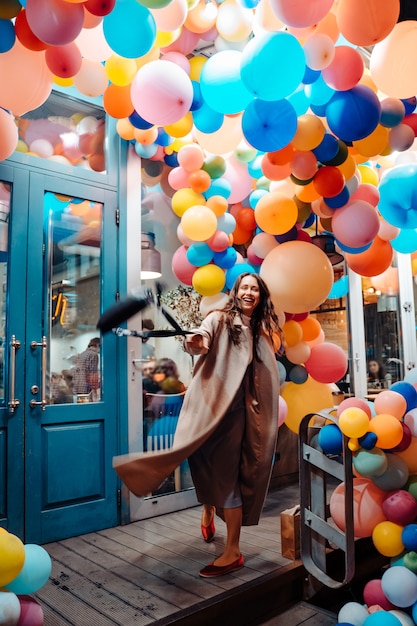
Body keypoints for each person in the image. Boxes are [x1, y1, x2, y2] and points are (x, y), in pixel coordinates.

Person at [113, 273, 282, 578]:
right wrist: (197, 341)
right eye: (244, 287)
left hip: (234, 418)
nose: (248, 292)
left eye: (254, 289)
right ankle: (208, 510)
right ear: (236, 292)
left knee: (228, 477)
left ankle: (233, 551)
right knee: (201, 464)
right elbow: (201, 338)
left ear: (260, 297)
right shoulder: (218, 319)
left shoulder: (261, 331)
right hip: (205, 411)